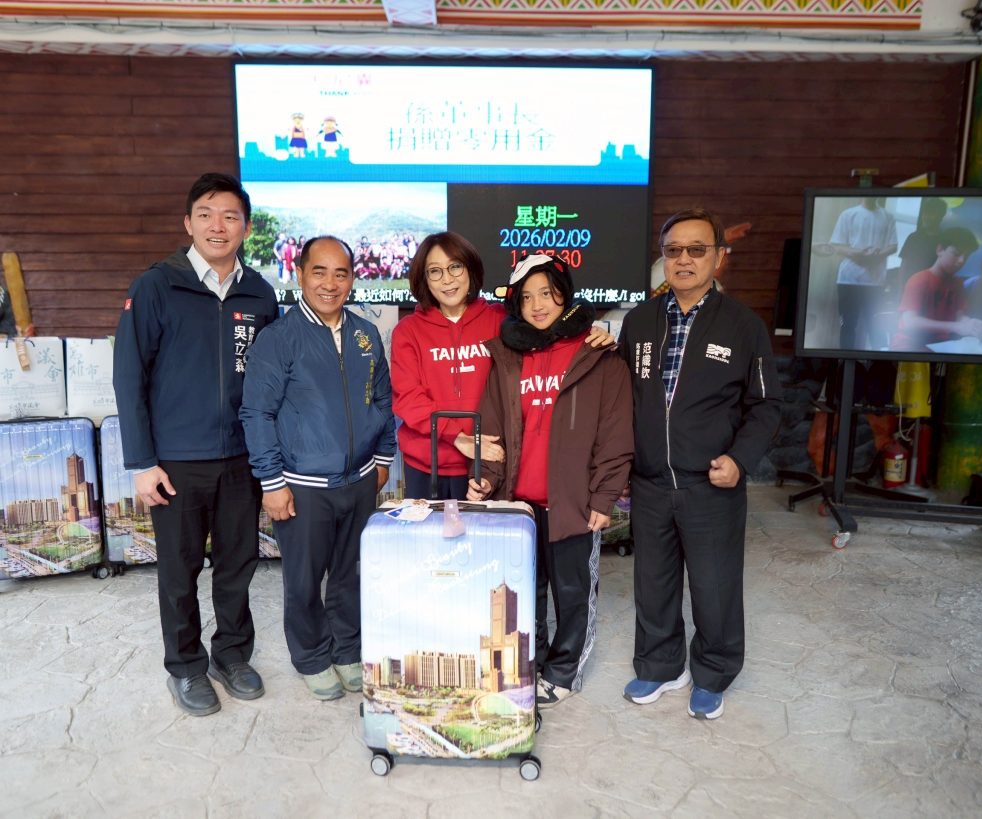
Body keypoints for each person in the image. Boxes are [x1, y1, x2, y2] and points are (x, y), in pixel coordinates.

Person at [112, 172, 278, 717]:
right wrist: (142, 462)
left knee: (238, 565)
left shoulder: (260, 293)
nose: (218, 226)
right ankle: (185, 666)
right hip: (178, 461)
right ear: (188, 223)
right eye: (206, 214)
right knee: (179, 571)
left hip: (242, 458)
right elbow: (129, 377)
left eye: (230, 216)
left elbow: (273, 381)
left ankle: (231, 655)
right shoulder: (157, 286)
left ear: (245, 227)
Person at [618, 207, 781, 720]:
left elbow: (767, 406)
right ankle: (662, 665)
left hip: (712, 484)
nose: (684, 259)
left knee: (714, 587)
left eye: (696, 249)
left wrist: (740, 459)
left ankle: (712, 673)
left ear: (719, 258)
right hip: (649, 483)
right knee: (653, 584)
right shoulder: (639, 322)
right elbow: (620, 400)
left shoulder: (743, 326)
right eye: (673, 250)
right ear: (662, 259)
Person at [467, 254, 633, 708]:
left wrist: (604, 496)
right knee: (524, 591)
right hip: (518, 505)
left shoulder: (599, 357)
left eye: (547, 293)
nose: (537, 305)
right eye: (527, 297)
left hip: (573, 502)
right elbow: (493, 429)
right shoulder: (507, 358)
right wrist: (486, 480)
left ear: (565, 295)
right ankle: (532, 663)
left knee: (573, 592)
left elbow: (616, 435)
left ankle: (563, 671)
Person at [239, 236, 396, 701]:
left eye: (340, 274)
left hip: (360, 480)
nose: (330, 284)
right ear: (300, 275)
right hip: (302, 485)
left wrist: (382, 457)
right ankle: (311, 656)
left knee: (350, 573)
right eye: (319, 272)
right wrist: (271, 482)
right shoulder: (278, 339)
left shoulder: (366, 334)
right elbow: (257, 414)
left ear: (352, 279)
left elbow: (382, 399)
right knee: (305, 580)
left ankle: (347, 650)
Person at [391, 232, 614, 501]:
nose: (447, 279)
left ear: (470, 269)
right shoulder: (408, 331)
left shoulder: (501, 320)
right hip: (427, 466)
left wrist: (589, 334)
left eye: (455, 267)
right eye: (435, 271)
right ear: (424, 278)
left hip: (490, 467)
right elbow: (409, 399)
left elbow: (550, 332)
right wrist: (459, 438)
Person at [891, 226, 982, 351]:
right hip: (910, 345)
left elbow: (960, 318)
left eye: (966, 257)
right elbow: (910, 322)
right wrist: (955, 326)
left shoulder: (958, 284)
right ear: (940, 250)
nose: (961, 261)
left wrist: (974, 324)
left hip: (940, 346)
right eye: (956, 254)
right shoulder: (919, 279)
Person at [829, 197, 897, 350]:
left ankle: (879, 362)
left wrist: (877, 255)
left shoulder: (888, 216)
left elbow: (893, 246)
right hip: (848, 279)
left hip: (876, 282)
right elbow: (836, 245)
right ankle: (845, 361)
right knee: (848, 324)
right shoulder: (848, 214)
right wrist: (856, 253)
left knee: (876, 326)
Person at [897, 197, 948, 293]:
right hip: (911, 288)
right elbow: (904, 265)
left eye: (931, 214)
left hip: (933, 290)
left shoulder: (945, 240)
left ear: (940, 216)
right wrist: (901, 289)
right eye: (925, 213)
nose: (926, 217)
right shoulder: (913, 237)